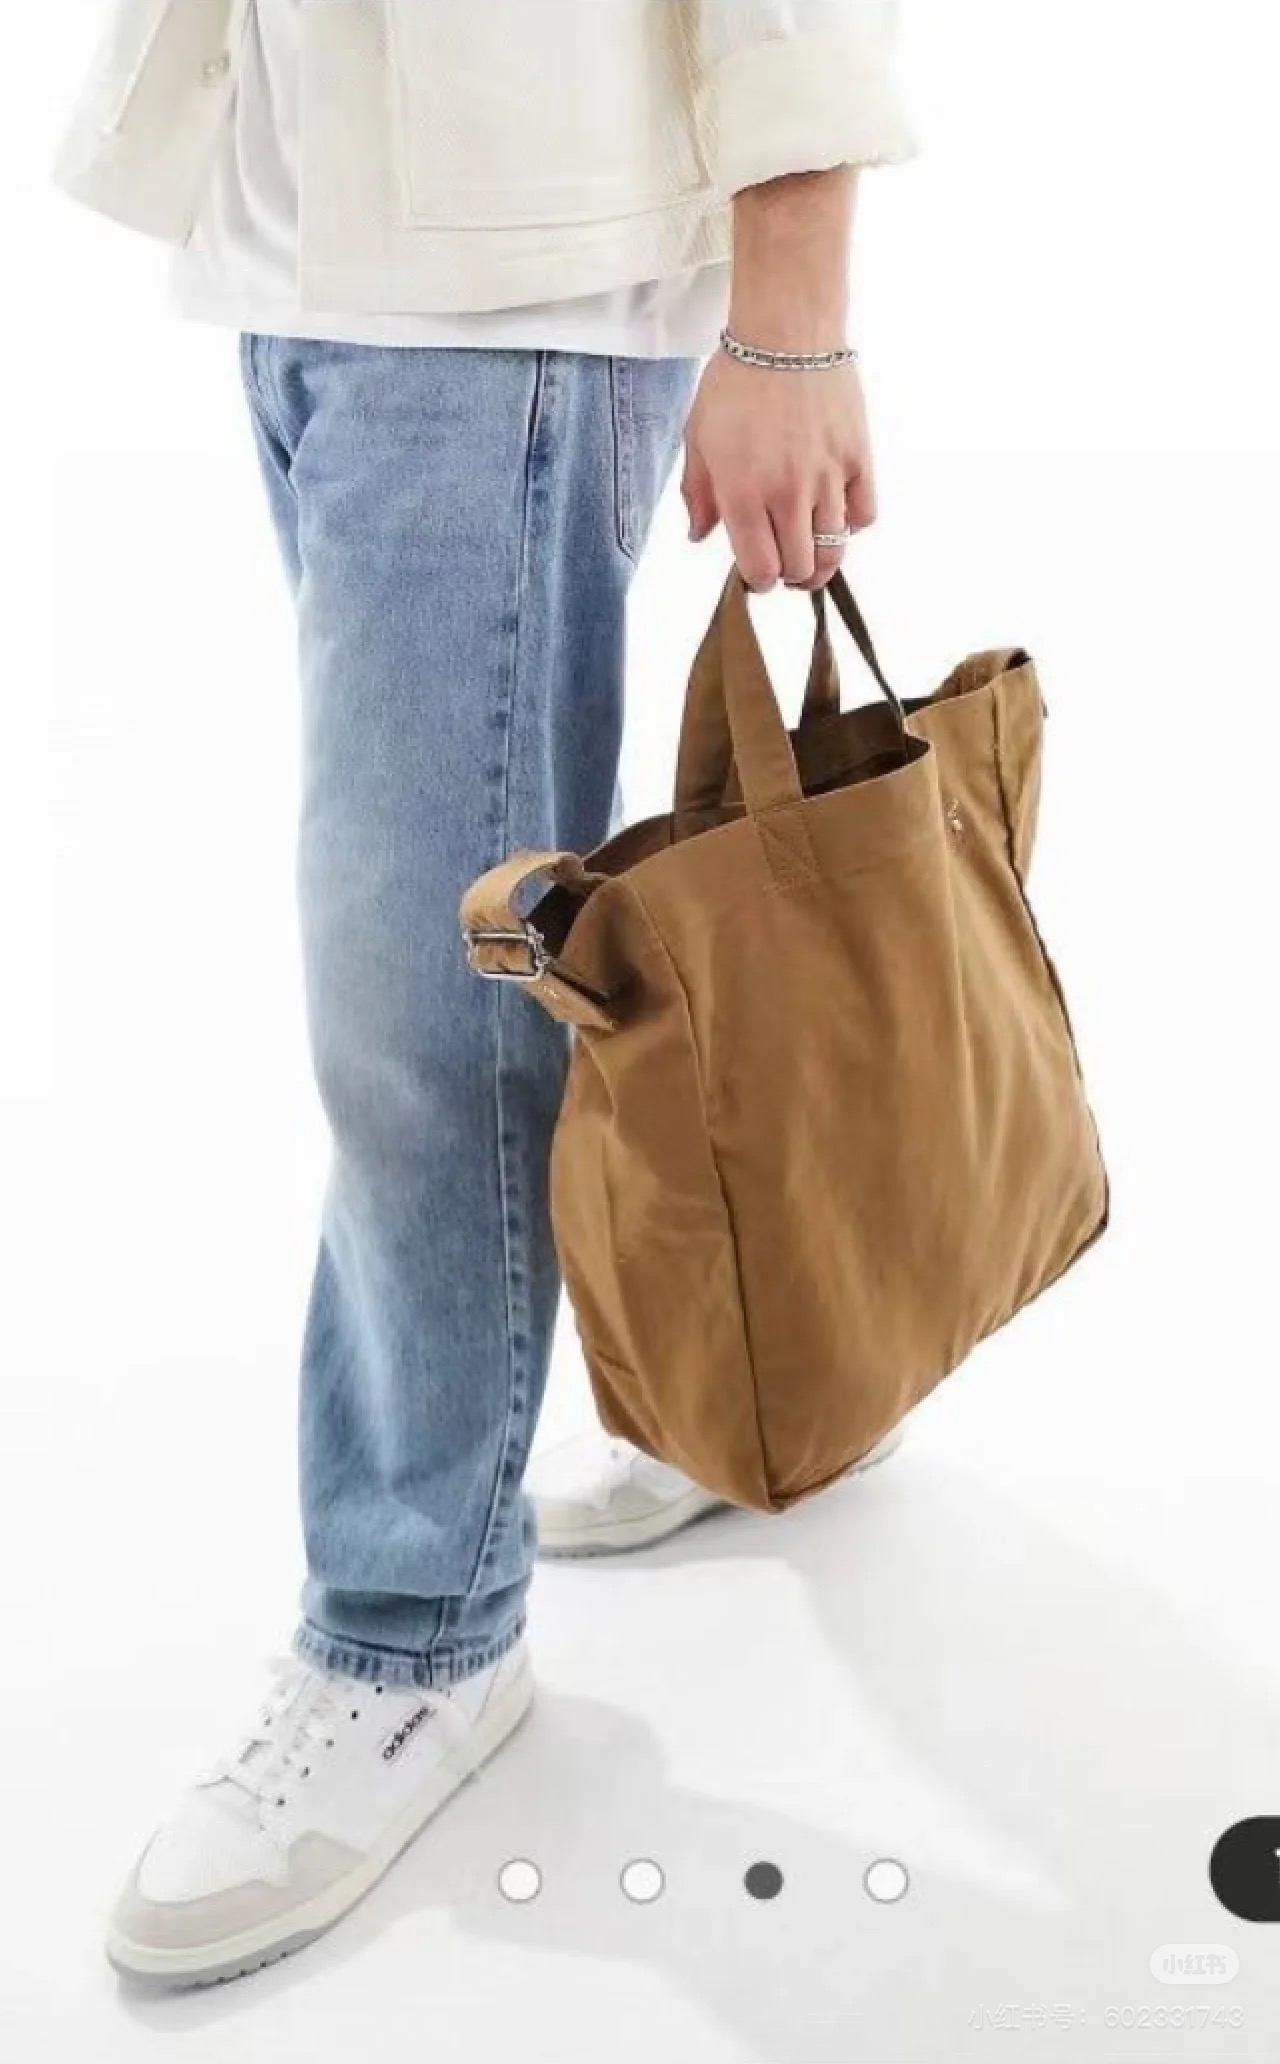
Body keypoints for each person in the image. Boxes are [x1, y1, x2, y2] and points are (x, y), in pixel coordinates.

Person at [56, 0, 916, 1988]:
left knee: (419, 1014)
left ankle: (411, 1635)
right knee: (556, 944)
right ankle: (757, 1370)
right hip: (313, 262)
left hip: (497, 306)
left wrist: (793, 321)